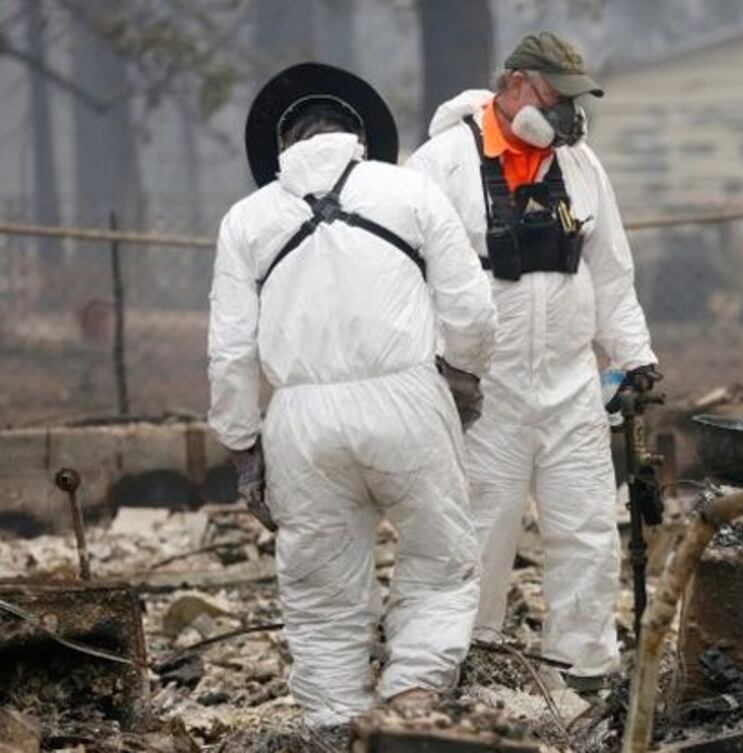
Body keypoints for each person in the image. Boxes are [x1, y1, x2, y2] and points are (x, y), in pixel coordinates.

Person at [207, 62, 497, 728]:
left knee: (320, 587)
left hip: (300, 419)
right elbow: (472, 309)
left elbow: (230, 351)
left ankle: (334, 723)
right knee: (440, 556)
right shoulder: (411, 191)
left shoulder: (245, 220)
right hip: (407, 397)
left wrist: (242, 445)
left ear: (281, 149)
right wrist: (462, 378)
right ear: (361, 138)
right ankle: (413, 695)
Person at [406, 31, 660, 688]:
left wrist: (634, 355)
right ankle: (473, 664)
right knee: (479, 533)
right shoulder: (440, 167)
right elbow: (407, 283)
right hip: (483, 390)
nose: (567, 115)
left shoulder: (581, 166)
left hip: (572, 383)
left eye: (575, 100)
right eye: (556, 97)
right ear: (515, 85)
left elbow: (610, 272)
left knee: (587, 529)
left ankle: (584, 671)